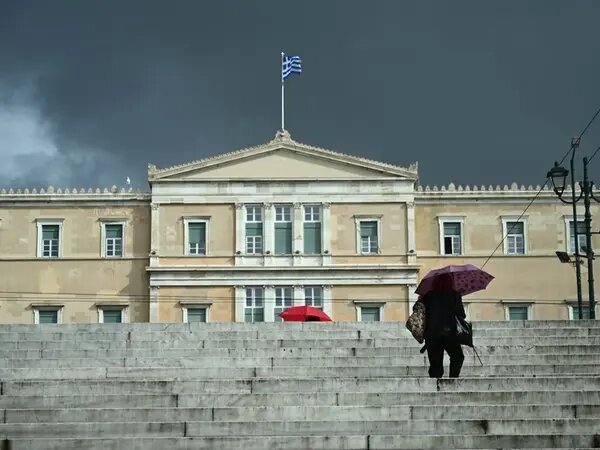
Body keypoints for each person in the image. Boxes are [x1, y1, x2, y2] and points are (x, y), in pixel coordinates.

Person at [418, 273, 466, 378]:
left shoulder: (428, 295)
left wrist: (421, 299)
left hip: (432, 334)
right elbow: (462, 315)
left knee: (435, 364)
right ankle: (453, 379)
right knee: (457, 357)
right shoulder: (454, 294)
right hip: (450, 333)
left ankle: (436, 386)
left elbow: (417, 311)